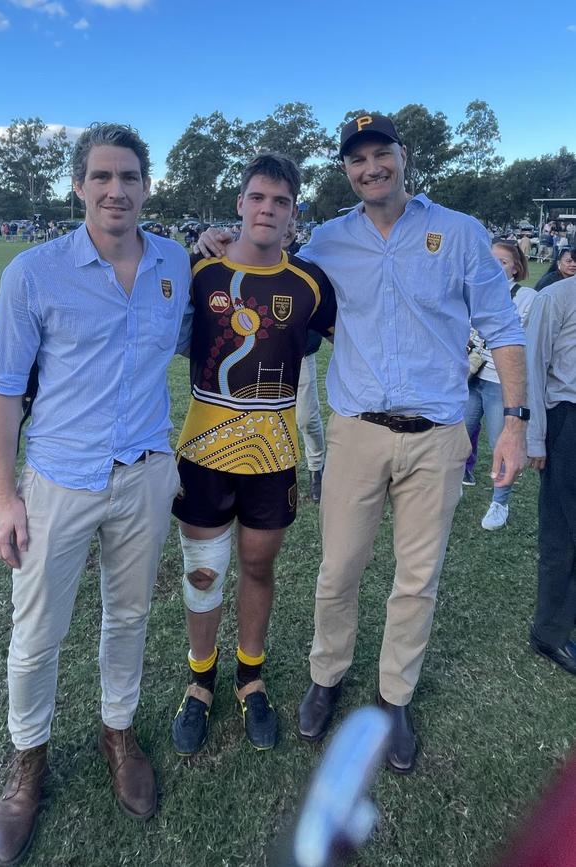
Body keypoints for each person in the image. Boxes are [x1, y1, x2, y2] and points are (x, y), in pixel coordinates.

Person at [197, 114, 527, 774]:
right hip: (353, 431)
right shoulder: (326, 240)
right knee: (339, 569)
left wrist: (514, 421)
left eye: (382, 154)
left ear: (404, 158)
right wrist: (219, 242)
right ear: (346, 170)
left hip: (436, 435)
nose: (371, 166)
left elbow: (504, 326)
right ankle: (327, 674)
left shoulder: (459, 233)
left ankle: (393, 697)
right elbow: (271, 268)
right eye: (357, 159)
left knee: (416, 578)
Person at [0, 122, 191, 867]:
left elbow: (202, 339)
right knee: (37, 632)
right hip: (59, 481)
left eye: (129, 177)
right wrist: (7, 498)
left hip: (145, 473)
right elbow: (3, 394)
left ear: (146, 186)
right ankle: (28, 761)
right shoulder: (32, 273)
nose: (116, 190)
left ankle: (118, 730)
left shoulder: (174, 261)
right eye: (101, 177)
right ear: (78, 185)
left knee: (128, 615)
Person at [170, 153, 336, 756]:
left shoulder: (311, 284)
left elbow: (362, 338)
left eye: (281, 201)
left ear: (294, 213)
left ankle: (250, 676)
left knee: (259, 567)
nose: (268, 209)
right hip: (204, 450)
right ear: (239, 203)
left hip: (272, 454)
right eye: (258, 198)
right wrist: (197, 244)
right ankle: (200, 681)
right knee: (204, 572)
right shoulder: (199, 272)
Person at [463, 240, 536, 529]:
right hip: (470, 378)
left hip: (499, 383)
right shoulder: (472, 291)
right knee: (456, 438)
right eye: (490, 260)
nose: (494, 267)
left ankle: (499, 502)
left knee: (501, 443)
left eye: (502, 262)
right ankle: (451, 485)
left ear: (516, 269)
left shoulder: (527, 296)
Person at [526, 274, 576, 677]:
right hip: (568, 420)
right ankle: (550, 632)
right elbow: (534, 368)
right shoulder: (555, 298)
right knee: (562, 533)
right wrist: (536, 437)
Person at [282, 218, 326, 500]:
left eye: (290, 223)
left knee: (306, 419)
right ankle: (280, 475)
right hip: (264, 357)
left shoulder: (310, 261)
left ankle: (317, 468)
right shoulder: (255, 258)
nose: (284, 228)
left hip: (301, 355)